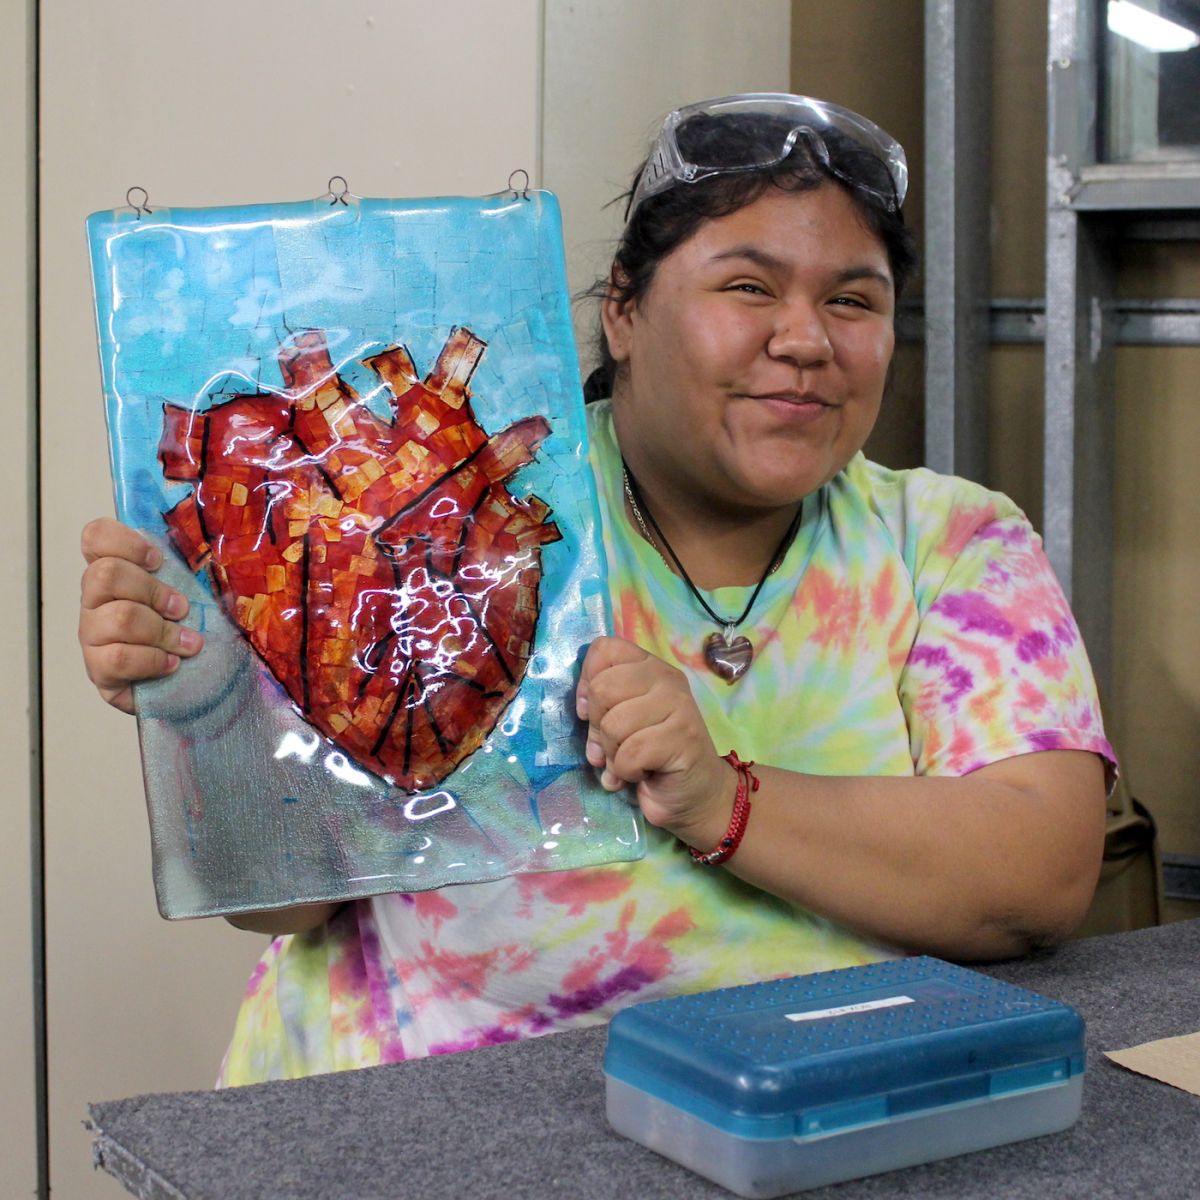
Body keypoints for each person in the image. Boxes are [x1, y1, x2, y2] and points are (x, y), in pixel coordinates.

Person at [78, 93, 1114, 1085]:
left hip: (814, 1119)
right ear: (623, 308)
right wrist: (215, 712)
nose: (805, 341)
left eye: (852, 300)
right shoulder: (451, 513)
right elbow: (282, 907)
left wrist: (722, 800)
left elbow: (1040, 880)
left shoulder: (948, 542)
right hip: (424, 1121)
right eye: (749, 288)